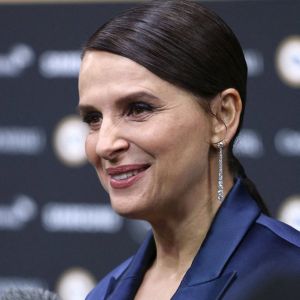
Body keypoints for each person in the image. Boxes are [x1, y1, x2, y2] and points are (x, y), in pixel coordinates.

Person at [78, 0, 300, 299]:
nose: (105, 144)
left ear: (222, 117)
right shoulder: (105, 293)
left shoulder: (289, 273)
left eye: (138, 109)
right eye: (93, 118)